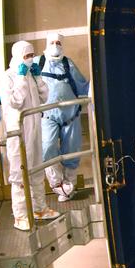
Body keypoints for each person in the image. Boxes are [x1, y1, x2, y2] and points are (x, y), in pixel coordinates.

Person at [1, 40, 58, 231]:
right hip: (18, 132)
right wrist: (20, 78)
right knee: (19, 175)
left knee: (36, 170)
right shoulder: (9, 77)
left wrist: (39, 79)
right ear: (17, 56)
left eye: (31, 55)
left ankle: (39, 209)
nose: (30, 59)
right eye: (26, 56)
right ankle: (20, 216)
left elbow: (44, 98)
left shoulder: (31, 74)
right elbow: (15, 102)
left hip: (35, 129)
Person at [39, 32, 90, 201]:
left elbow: (83, 86)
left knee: (72, 152)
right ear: (47, 44)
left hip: (71, 116)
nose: (55, 45)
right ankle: (58, 185)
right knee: (47, 148)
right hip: (48, 116)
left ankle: (69, 188)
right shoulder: (38, 64)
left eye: (58, 42)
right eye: (52, 42)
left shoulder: (68, 64)